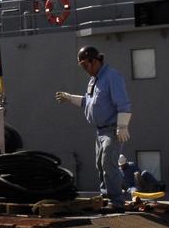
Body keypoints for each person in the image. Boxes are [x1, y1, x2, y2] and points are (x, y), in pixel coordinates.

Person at [55, 47, 132, 209]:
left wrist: (122, 126)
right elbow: (88, 102)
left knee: (108, 163)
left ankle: (116, 201)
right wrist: (70, 98)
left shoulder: (112, 76)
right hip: (100, 131)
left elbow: (123, 103)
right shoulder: (95, 79)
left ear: (94, 61)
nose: (84, 69)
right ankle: (106, 197)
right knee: (100, 164)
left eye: (85, 65)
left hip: (112, 129)